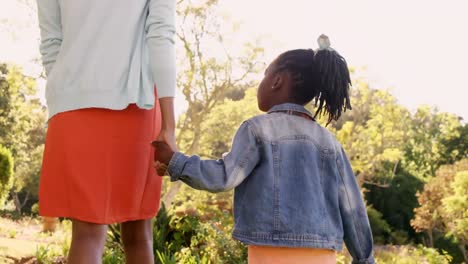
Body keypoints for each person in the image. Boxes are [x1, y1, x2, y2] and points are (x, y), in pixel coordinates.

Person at [153, 35, 375, 264]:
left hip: (269, 253)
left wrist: (175, 161)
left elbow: (223, 177)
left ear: (277, 80)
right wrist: (364, 259)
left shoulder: (257, 130)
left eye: (265, 74)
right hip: (322, 255)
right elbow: (352, 207)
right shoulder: (330, 143)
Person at [36, 0, 177, 263]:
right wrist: (169, 125)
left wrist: (68, 93)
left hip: (72, 104)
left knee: (86, 235)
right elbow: (161, 34)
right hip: (136, 103)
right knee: (139, 235)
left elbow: (51, 42)